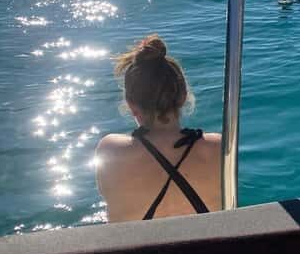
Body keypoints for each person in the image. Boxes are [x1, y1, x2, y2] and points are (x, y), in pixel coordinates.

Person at [95, 35, 222, 222]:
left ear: (131, 105)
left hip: (137, 251)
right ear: (183, 96)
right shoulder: (217, 147)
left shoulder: (110, 149)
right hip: (205, 250)